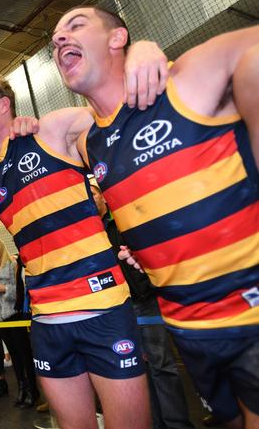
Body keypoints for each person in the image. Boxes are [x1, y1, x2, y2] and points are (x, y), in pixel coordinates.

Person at [52, 6, 259, 428]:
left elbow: (252, 51)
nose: (59, 40)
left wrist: (147, 48)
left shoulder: (184, 78)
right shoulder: (91, 142)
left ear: (117, 37)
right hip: (187, 327)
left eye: (75, 26)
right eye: (54, 38)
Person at [0, 69, 155, 429]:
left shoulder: (51, 129)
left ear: (4, 105)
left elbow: (112, 121)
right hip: (47, 320)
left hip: (102, 308)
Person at [91, 179, 194, 429]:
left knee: (162, 366)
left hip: (146, 303)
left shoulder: (122, 223)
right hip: (118, 309)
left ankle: (178, 424)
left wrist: (149, 288)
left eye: (93, 193)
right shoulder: (92, 236)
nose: (90, 198)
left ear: (103, 197)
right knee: (137, 369)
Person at [0, 239, 40, 409]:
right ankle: (22, 389)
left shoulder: (12, 264)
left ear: (2, 248)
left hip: (15, 315)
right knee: (14, 356)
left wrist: (4, 290)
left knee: (25, 354)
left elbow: (19, 291)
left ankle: (33, 390)